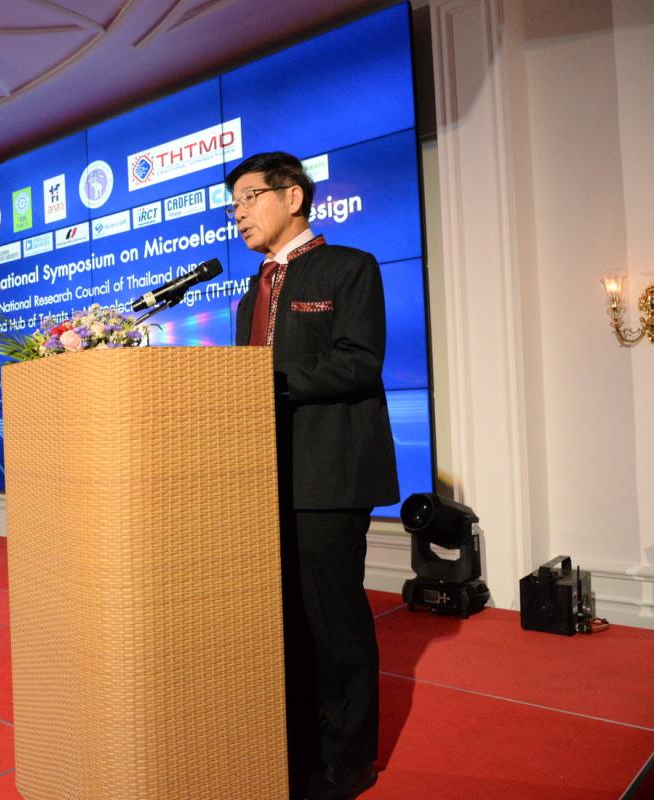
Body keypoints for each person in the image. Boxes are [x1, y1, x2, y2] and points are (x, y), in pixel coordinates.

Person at [227, 151, 399, 800]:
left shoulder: (350, 268)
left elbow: (358, 362)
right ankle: (295, 749)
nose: (238, 213)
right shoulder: (251, 292)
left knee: (334, 625)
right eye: (233, 204)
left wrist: (260, 381)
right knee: (284, 625)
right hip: (265, 478)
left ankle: (346, 762)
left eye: (249, 198)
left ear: (292, 197)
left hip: (329, 474)